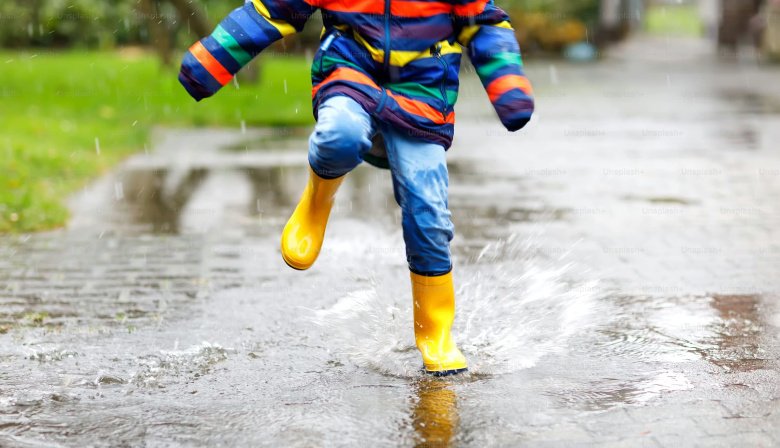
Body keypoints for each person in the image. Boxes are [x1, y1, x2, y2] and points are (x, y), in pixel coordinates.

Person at [178, 0, 534, 375]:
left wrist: (507, 86)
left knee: (428, 210)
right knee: (339, 136)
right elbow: (273, 10)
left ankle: (435, 332)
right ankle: (318, 198)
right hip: (350, 74)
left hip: (424, 95)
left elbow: (484, 24)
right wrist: (213, 59)